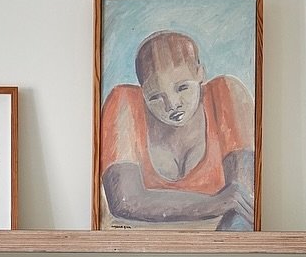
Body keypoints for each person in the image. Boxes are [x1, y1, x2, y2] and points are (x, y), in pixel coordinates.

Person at [99, 30, 256, 230]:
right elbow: (124, 201)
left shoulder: (227, 95)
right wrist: (214, 204)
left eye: (182, 88)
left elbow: (244, 200)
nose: (172, 105)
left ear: (200, 73)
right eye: (156, 97)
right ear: (142, 91)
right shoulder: (123, 103)